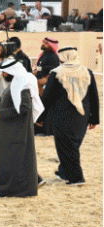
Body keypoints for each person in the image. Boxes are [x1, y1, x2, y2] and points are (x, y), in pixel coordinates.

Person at [41, 47, 100, 186]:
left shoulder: (57, 73)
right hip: (82, 116)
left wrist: (40, 118)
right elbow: (94, 98)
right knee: (71, 145)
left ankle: (77, 178)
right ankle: (64, 172)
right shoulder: (87, 72)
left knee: (67, 146)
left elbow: (47, 98)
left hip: (62, 116)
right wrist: (94, 119)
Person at [0, 57, 44, 198]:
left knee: (15, 160)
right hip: (10, 130)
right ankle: (8, 189)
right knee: (10, 160)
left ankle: (12, 190)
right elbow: (10, 101)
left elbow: (24, 107)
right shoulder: (16, 82)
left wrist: (1, 113)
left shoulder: (22, 84)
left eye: (5, 72)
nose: (3, 75)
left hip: (17, 131)